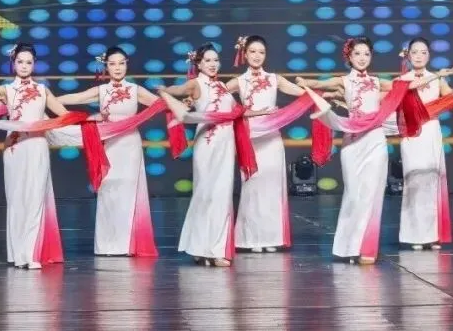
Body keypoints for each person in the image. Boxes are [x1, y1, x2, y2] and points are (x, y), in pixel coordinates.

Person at [0, 43, 88, 269]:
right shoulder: (6, 90)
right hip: (15, 147)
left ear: (34, 65)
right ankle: (19, 254)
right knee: (17, 201)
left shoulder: (43, 90)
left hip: (37, 146)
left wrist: (88, 121)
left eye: (29, 62)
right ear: (13, 64)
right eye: (20, 62)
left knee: (35, 198)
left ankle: (31, 254)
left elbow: (65, 115)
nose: (24, 66)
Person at [298, 37, 422, 264]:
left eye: (366, 54)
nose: (362, 58)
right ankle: (347, 248)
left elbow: (405, 86)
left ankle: (366, 249)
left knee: (372, 195)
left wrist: (431, 76)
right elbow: (318, 84)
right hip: (353, 141)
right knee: (354, 195)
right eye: (357, 54)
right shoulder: (343, 81)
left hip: (375, 141)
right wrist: (303, 81)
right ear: (349, 56)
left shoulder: (377, 81)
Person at [56, 47, 160, 257]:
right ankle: (107, 245)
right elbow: (75, 97)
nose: (117, 68)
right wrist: (45, 98)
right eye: (112, 64)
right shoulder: (102, 90)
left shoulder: (135, 89)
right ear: (106, 67)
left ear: (127, 64)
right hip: (110, 144)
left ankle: (128, 244)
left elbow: (161, 104)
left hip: (130, 144)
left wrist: (184, 101)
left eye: (121, 63)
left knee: (129, 191)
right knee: (109, 190)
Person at [158, 43, 238, 267]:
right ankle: (202, 249)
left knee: (222, 195)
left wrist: (261, 113)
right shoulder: (195, 83)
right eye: (207, 60)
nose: (213, 64)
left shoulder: (222, 86)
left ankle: (211, 250)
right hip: (207, 143)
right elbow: (178, 90)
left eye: (216, 60)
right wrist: (165, 90)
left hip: (226, 142)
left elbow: (236, 111)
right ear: (198, 64)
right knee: (205, 195)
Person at [224, 35, 305, 253]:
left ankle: (271, 238)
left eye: (261, 52)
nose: (257, 56)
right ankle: (251, 239)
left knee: (272, 187)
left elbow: (301, 93)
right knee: (252, 187)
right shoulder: (239, 81)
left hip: (271, 138)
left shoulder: (275, 79)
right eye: (252, 51)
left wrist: (320, 93)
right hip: (250, 138)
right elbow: (217, 95)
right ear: (244, 54)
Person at [394, 38, 453, 250]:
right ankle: (415, 236)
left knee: (432, 180)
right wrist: (437, 75)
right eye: (415, 52)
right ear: (408, 55)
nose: (419, 56)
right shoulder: (402, 80)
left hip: (431, 131)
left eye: (423, 52)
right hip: (412, 134)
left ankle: (432, 235)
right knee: (414, 181)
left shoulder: (438, 79)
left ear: (429, 55)